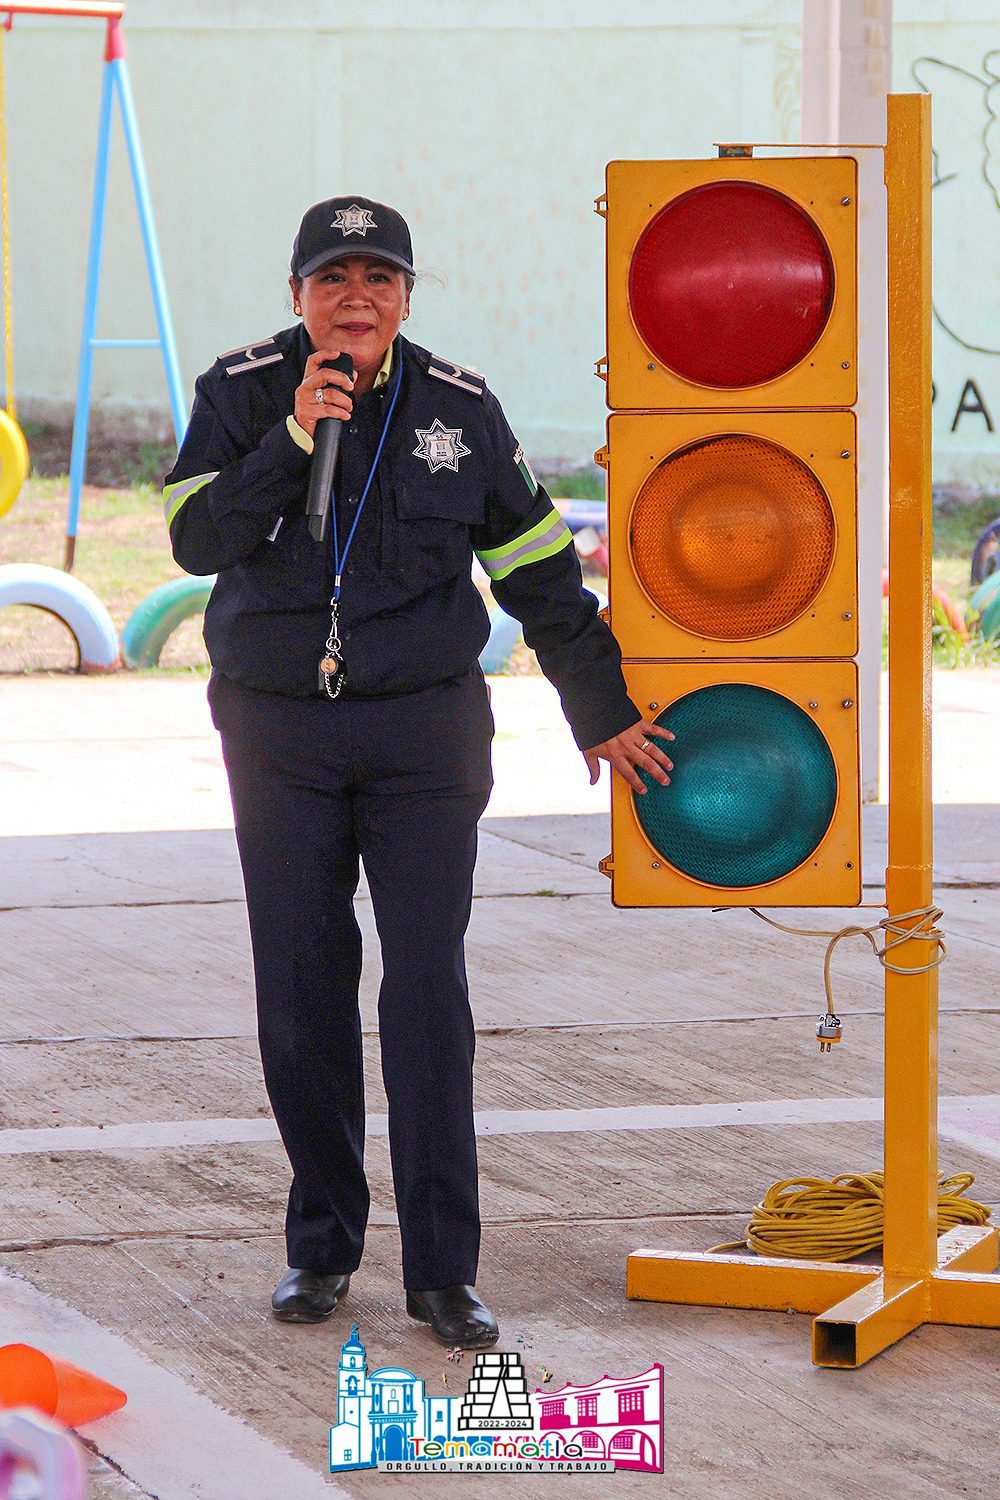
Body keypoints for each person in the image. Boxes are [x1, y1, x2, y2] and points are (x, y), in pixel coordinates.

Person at [163, 195, 674, 1349]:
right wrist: (291, 440)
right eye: (334, 278)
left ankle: (445, 1272)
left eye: (380, 279)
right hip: (280, 732)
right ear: (296, 295)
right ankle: (321, 1247)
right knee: (299, 991)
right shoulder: (242, 391)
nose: (358, 299)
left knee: (426, 992)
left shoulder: (459, 408)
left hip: (424, 735)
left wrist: (598, 709)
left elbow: (539, 563)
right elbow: (195, 542)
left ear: (406, 296)